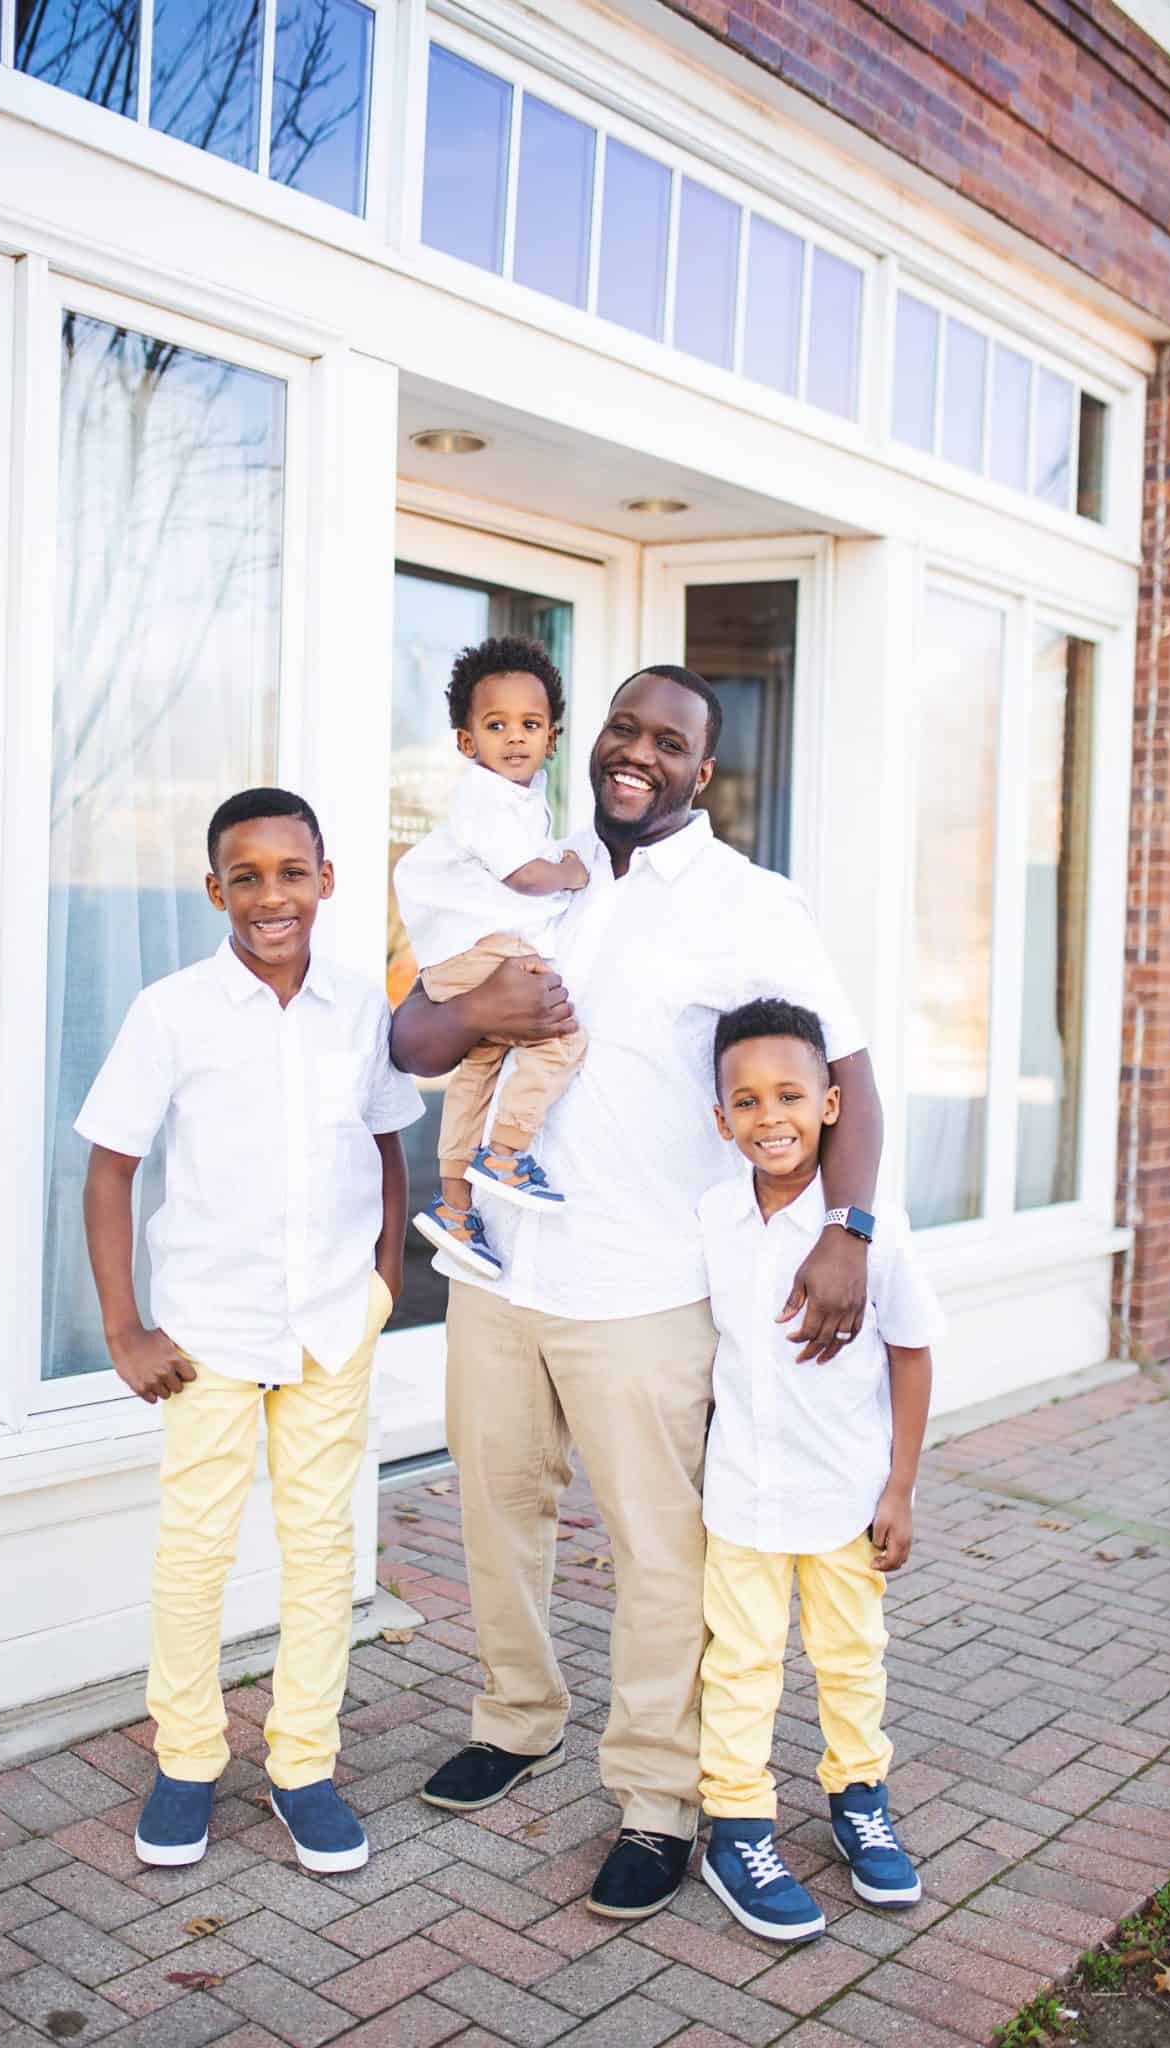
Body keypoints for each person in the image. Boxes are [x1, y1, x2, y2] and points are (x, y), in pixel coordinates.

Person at [392, 665, 884, 1921]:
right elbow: (410, 1041)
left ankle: (660, 1795)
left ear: (699, 771)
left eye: (669, 741)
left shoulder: (748, 902)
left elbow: (853, 1079)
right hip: (501, 1264)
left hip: (651, 1285)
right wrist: (484, 1003)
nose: (637, 754)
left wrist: (851, 1228)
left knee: (661, 1555)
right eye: (622, 728)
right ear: (587, 740)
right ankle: (517, 1718)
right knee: (498, 1512)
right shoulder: (531, 866)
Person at [77, 787, 422, 1874]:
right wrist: (125, 1323)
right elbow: (110, 1167)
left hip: (330, 1322)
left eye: (292, 871)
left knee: (322, 1548)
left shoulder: (362, 1007)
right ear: (215, 887)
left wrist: (382, 1273)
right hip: (209, 1329)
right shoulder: (172, 1009)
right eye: (249, 874)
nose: (272, 894)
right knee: (197, 1548)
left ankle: (303, 1764)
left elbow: (386, 1141)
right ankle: (187, 1757)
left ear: (328, 880)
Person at [696, 998, 939, 1943]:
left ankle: (857, 1797)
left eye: (790, 1095)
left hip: (843, 1493)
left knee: (848, 1660)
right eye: (745, 1102)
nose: (770, 1118)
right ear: (721, 1120)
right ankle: (739, 1824)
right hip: (741, 1495)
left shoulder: (873, 1231)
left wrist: (899, 1488)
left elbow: (911, 1351)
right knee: (743, 1663)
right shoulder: (713, 1216)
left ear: (832, 1103)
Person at [394, 636, 590, 1283]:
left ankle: (454, 1204)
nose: (513, 738)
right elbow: (524, 875)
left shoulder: (520, 798)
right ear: (465, 742)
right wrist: (569, 869)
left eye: (529, 725)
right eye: (495, 725)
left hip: (460, 957)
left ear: (552, 737)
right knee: (561, 1036)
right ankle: (505, 1153)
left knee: (479, 1065)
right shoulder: (486, 796)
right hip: (487, 951)